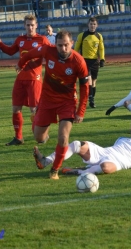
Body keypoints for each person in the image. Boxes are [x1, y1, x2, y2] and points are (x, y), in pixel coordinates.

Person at [16, 29, 89, 180]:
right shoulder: (47, 51)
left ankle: (54, 170)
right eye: (60, 45)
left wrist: (81, 111)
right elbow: (28, 55)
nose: (63, 49)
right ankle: (43, 132)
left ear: (72, 44)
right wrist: (20, 64)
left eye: (66, 45)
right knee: (38, 138)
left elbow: (84, 87)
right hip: (47, 100)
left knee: (63, 137)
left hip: (67, 102)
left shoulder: (79, 61)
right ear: (55, 44)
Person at [33, 118, 131, 176]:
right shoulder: (121, 139)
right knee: (76, 144)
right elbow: (111, 149)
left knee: (105, 167)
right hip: (104, 152)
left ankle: (80, 172)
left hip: (120, 162)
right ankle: (46, 161)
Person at [0, 14, 50, 146]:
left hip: (34, 79)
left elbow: (51, 54)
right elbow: (10, 51)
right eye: (28, 25)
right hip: (20, 79)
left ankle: (40, 135)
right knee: (15, 108)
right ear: (24, 26)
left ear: (36, 25)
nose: (30, 27)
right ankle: (18, 138)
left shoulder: (42, 39)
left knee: (34, 110)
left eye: (32, 25)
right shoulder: (20, 39)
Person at [74, 17, 105, 108]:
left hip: (95, 61)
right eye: (91, 24)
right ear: (88, 25)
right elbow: (76, 49)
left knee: (94, 82)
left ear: (97, 25)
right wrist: (74, 59)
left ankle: (92, 98)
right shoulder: (82, 35)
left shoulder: (99, 36)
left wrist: (102, 59)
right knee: (89, 80)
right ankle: (91, 99)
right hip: (85, 61)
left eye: (94, 24)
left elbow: (101, 48)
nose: (92, 26)